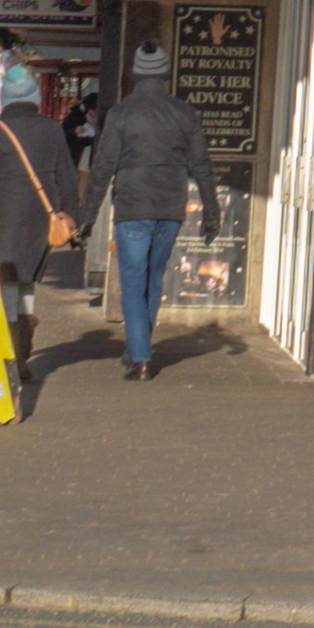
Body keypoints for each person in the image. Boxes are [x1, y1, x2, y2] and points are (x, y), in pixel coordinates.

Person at [76, 44, 217, 382]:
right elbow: (201, 165)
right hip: (170, 207)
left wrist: (87, 218)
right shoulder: (184, 112)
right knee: (154, 280)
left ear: (137, 73)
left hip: (132, 207)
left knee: (133, 281)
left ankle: (140, 358)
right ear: (165, 74)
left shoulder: (121, 114)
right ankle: (139, 349)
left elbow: (102, 168)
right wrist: (212, 213)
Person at [0, 64, 77, 370]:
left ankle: (14, 356)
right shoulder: (52, 129)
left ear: (5, 98)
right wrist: (74, 217)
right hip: (44, 212)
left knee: (7, 283)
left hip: (4, 212)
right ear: (34, 97)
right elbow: (67, 177)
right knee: (28, 281)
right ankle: (24, 352)